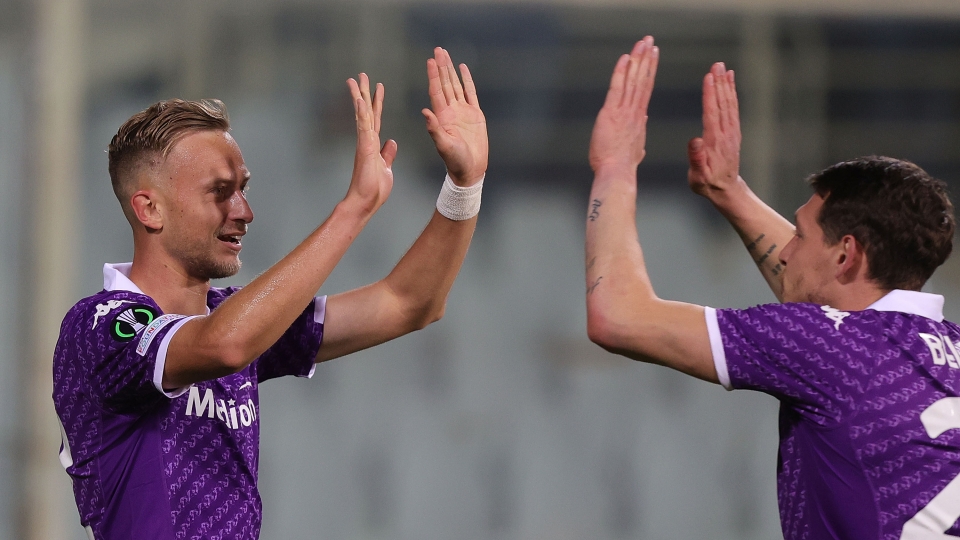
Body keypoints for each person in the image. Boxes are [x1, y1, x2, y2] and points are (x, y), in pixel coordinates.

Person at [53, 47, 487, 540]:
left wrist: (464, 185)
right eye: (220, 191)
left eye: (244, 188)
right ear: (150, 209)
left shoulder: (232, 317)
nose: (244, 211)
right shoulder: (99, 327)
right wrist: (355, 207)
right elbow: (226, 345)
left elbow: (409, 304)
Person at [585, 36, 960, 539]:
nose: (784, 252)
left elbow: (618, 317)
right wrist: (729, 190)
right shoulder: (938, 350)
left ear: (846, 254)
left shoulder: (832, 348)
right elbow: (829, 291)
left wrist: (615, 168)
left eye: (799, 235)